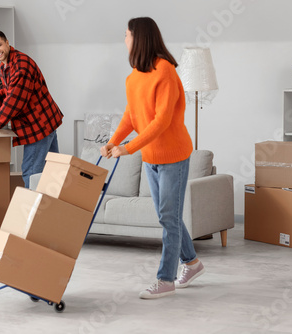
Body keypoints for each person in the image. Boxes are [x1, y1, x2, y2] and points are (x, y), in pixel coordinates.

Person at [100, 17, 205, 299]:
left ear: (139, 38)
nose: (124, 40)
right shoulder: (134, 76)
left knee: (168, 217)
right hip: (151, 158)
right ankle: (192, 263)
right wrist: (112, 142)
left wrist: (128, 148)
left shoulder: (165, 71)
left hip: (174, 156)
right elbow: (131, 117)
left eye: (126, 35)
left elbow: (161, 121)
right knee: (166, 216)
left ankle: (166, 280)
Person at [0, 30, 63, 188]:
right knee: (52, 172)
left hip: (39, 125)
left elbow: (14, 99)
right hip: (46, 123)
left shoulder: (21, 65)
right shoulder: (6, 65)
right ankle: (52, 210)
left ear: (7, 43)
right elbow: (8, 89)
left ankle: (33, 211)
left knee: (31, 172)